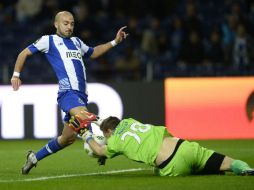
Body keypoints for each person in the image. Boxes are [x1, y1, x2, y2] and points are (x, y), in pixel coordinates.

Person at [10, 11, 128, 175]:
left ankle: (34, 158)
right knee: (84, 116)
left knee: (67, 139)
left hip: (81, 96)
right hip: (67, 93)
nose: (69, 27)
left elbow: (93, 52)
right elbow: (24, 53)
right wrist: (16, 75)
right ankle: (95, 145)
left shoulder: (76, 42)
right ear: (56, 24)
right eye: (65, 23)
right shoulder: (48, 40)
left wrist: (115, 42)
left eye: (72, 24)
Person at [80, 116, 254, 176]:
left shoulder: (115, 142)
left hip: (171, 164)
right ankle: (242, 167)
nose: (106, 139)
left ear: (109, 131)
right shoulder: (130, 121)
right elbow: (111, 123)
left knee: (158, 170)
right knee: (227, 162)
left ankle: (208, 170)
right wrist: (97, 120)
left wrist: (85, 134)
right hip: (185, 146)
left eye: (105, 136)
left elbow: (99, 149)